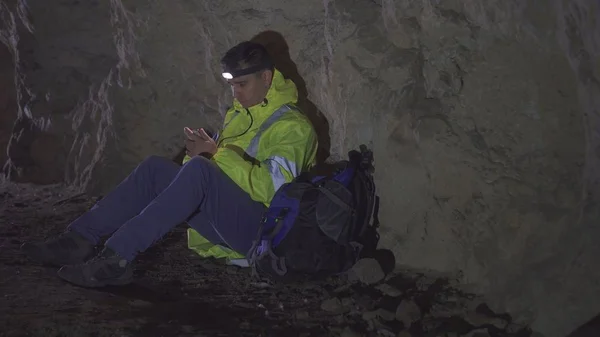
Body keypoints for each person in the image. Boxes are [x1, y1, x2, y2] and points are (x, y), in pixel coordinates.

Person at [21, 41, 319, 288]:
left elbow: (275, 191)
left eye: (242, 84)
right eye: (232, 85)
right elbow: (204, 179)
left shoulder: (294, 127)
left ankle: (116, 258)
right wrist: (198, 154)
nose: (235, 93)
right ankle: (78, 240)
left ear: (266, 77)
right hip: (234, 221)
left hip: (268, 234)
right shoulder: (241, 115)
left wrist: (214, 156)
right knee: (156, 169)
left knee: (201, 169)